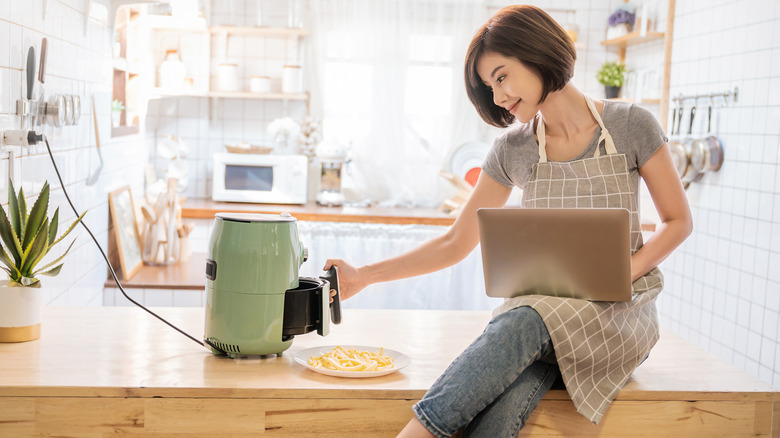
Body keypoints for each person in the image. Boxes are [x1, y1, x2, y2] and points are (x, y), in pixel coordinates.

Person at [324, 5, 692, 437]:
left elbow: (677, 221)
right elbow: (455, 243)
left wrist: (619, 273)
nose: (497, 96)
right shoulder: (513, 149)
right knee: (499, 411)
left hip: (615, 315)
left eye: (501, 77)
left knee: (521, 319)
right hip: (541, 322)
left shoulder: (631, 125)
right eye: (489, 86)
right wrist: (363, 276)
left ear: (537, 52)